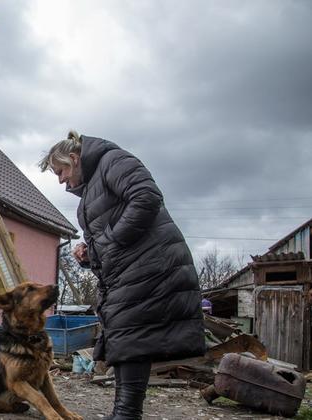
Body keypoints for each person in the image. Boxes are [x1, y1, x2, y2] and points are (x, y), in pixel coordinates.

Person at [39, 131, 205, 420]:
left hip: (153, 265)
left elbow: (146, 197)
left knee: (130, 333)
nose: (61, 180)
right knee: (129, 335)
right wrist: (89, 253)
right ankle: (125, 413)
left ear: (75, 158)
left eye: (61, 171)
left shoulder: (113, 161)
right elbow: (107, 241)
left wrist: (107, 241)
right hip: (130, 270)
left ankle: (126, 413)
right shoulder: (92, 189)